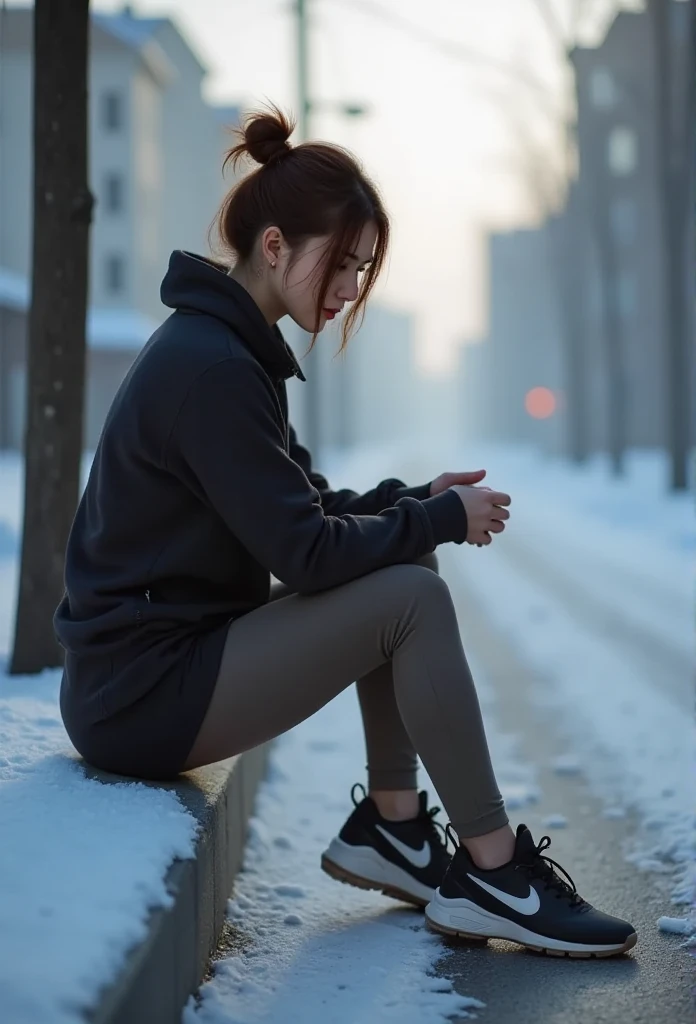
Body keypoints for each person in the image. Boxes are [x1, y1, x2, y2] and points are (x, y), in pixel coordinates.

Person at [54, 106, 636, 959]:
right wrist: (430, 516)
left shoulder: (225, 351)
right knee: (411, 595)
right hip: (140, 697)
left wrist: (416, 501)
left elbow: (308, 506)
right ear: (277, 246)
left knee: (409, 555)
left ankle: (394, 831)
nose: (352, 289)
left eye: (363, 269)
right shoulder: (212, 369)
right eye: (343, 263)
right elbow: (306, 553)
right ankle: (495, 871)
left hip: (155, 671)